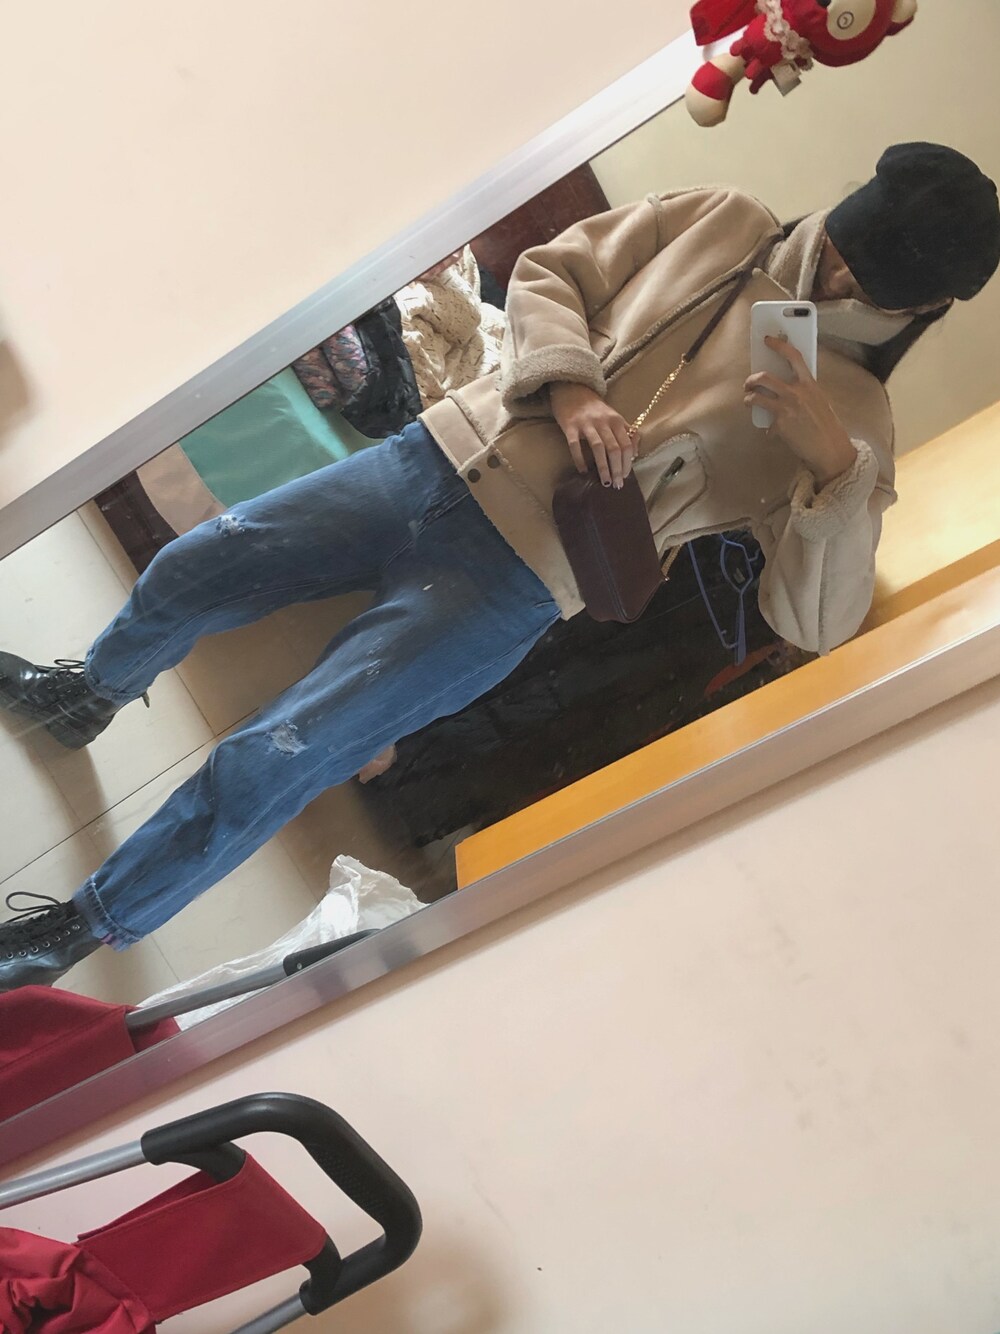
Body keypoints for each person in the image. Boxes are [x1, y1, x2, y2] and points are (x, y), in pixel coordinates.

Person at [1, 141, 998, 991]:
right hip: (429, 457)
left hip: (510, 586)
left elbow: (819, 621)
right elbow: (550, 272)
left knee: (282, 749)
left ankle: (86, 922)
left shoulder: (857, 419)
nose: (832, 285)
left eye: (865, 288)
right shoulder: (724, 219)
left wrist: (835, 474)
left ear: (924, 307)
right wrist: (570, 387)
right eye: (840, 253)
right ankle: (89, 692)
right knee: (196, 566)